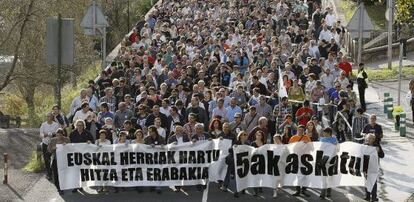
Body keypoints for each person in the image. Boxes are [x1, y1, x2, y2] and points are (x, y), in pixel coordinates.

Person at [289, 125, 311, 197]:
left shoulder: (307, 138)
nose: (300, 131)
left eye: (302, 130)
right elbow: (289, 148)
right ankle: (297, 191)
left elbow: (312, 148)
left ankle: (304, 190)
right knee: (297, 175)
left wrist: (307, 144)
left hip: (305, 159)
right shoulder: (293, 138)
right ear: (297, 130)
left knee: (305, 175)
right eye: (299, 129)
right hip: (296, 159)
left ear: (304, 131)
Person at [48, 128, 70, 195]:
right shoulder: (52, 140)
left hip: (64, 159)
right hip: (55, 159)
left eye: (60, 135)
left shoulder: (67, 139)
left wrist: (66, 145)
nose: (59, 137)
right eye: (57, 135)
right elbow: (49, 150)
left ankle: (63, 185)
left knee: (63, 173)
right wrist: (54, 148)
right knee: (56, 174)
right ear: (56, 134)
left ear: (63, 135)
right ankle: (59, 188)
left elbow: (71, 149)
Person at [144, 126, 165, 194]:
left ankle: (158, 186)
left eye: (150, 131)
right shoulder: (147, 138)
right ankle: (151, 185)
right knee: (150, 172)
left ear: (154, 131)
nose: (149, 133)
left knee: (158, 171)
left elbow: (165, 146)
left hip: (158, 158)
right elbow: (143, 147)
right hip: (149, 158)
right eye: (148, 131)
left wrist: (162, 146)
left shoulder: (161, 138)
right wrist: (149, 146)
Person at [39, 112, 60, 180]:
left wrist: (52, 134)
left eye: (50, 116)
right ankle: (49, 173)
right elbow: (41, 135)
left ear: (52, 117)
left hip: (54, 144)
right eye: (47, 116)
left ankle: (55, 171)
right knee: (46, 159)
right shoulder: (43, 124)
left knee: (54, 159)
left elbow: (58, 133)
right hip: (45, 143)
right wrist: (47, 134)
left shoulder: (56, 125)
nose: (48, 118)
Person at [364, 133, 385, 202]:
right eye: (369, 138)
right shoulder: (364, 146)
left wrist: (379, 151)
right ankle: (367, 196)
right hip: (366, 167)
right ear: (367, 139)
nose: (370, 140)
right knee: (366, 181)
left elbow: (382, 155)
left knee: (373, 182)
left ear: (374, 139)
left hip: (374, 167)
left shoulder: (377, 146)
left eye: (372, 138)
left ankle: (374, 197)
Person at [319, 127, 338, 199]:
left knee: (330, 176)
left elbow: (337, 148)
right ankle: (322, 193)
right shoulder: (322, 139)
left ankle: (329, 191)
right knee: (323, 176)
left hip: (332, 160)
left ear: (329, 133)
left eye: (325, 132)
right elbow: (320, 149)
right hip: (324, 160)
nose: (323, 133)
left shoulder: (334, 139)